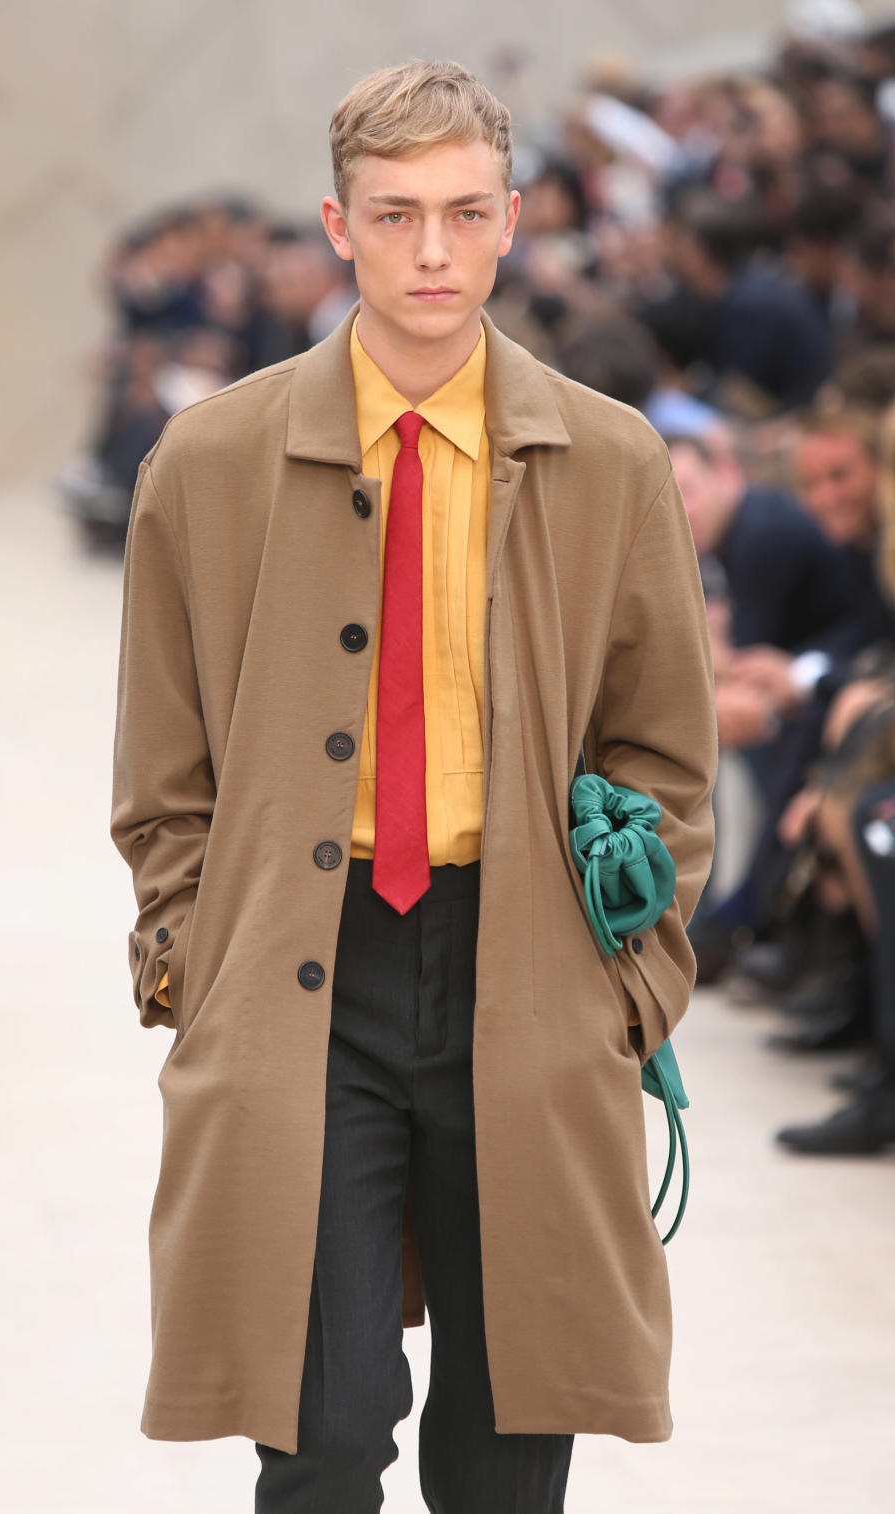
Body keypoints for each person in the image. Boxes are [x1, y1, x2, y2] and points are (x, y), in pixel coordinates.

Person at [110, 58, 717, 1513]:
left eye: (462, 213)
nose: (431, 252)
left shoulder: (613, 462)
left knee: (509, 1446)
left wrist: (623, 987)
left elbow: (665, 755)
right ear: (337, 224)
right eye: (395, 215)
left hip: (532, 961)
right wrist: (196, 960)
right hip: (300, 982)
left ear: (512, 222)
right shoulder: (207, 463)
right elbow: (160, 773)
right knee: (316, 1430)